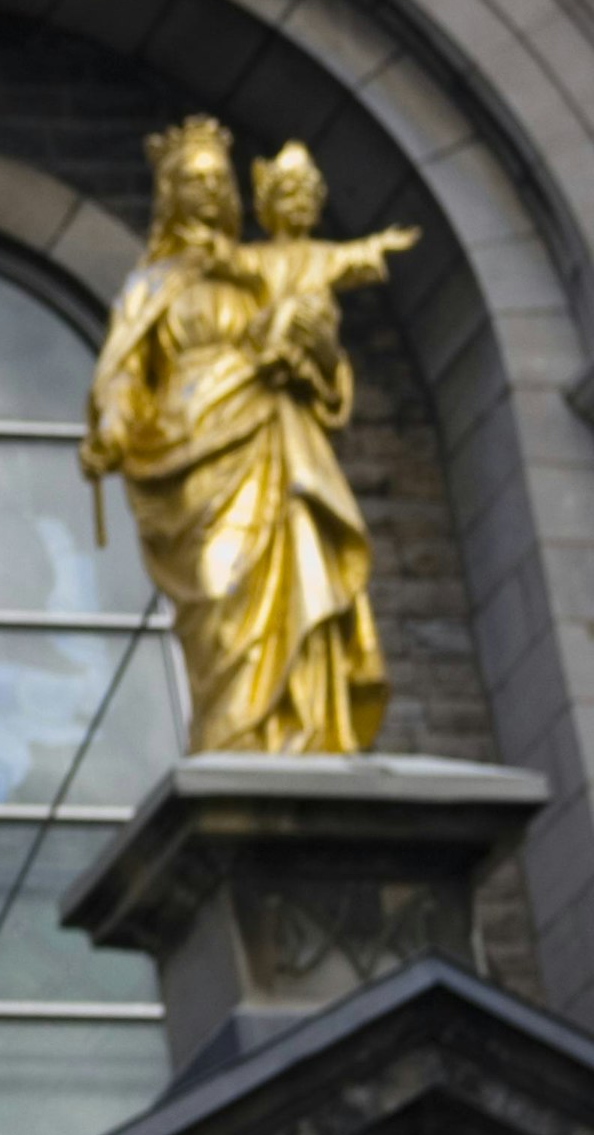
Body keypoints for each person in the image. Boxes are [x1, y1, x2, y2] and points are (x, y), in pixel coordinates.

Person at [80, 118, 413, 754]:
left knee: (295, 564)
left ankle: (301, 727)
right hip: (188, 450)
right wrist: (115, 429)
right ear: (170, 194)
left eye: (215, 180)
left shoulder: (262, 271)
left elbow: (322, 372)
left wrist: (314, 349)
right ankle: (232, 733)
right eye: (191, 181)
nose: (205, 192)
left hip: (277, 441)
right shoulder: (152, 287)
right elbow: (124, 373)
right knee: (216, 589)